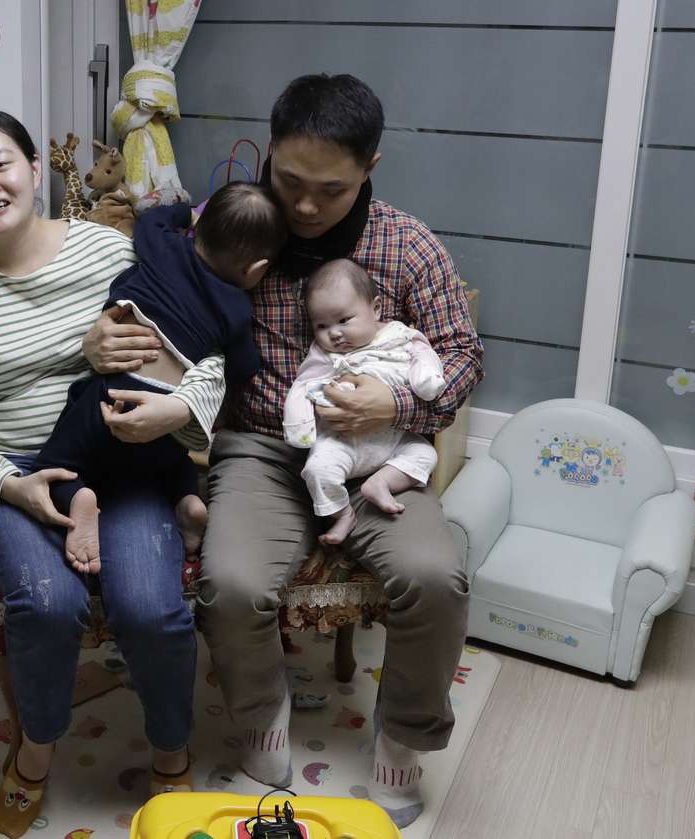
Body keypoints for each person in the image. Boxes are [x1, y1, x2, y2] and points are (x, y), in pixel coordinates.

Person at [0, 108, 226, 838]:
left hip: (122, 465)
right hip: (16, 474)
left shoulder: (102, 251)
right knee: (47, 603)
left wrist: (177, 410)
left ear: (32, 165)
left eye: (0, 163)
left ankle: (171, 752)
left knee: (151, 605)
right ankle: (34, 749)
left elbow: (200, 351)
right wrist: (11, 484)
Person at [195, 73, 482, 829]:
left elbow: (462, 356)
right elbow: (155, 287)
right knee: (228, 580)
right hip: (262, 445)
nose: (307, 206)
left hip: (380, 448)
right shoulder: (232, 224)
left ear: (370, 169)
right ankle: (261, 710)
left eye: (332, 187)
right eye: (291, 181)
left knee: (436, 575)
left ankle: (403, 734)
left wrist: (398, 403)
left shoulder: (407, 243)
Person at [32, 182, 286, 573]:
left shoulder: (164, 247)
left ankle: (78, 495)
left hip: (111, 389)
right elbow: (244, 368)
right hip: (164, 412)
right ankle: (187, 499)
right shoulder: (236, 308)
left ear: (198, 230)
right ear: (257, 270)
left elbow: (151, 218)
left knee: (54, 460)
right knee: (173, 460)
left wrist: (185, 213)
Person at [285, 258, 446, 544]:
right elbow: (303, 385)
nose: (334, 333)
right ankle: (343, 514)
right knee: (317, 470)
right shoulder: (324, 355)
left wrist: (426, 380)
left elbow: (423, 353)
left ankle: (381, 482)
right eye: (322, 325)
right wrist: (300, 427)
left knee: (425, 454)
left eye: (344, 320)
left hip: (393, 438)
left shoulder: (398, 335)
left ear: (375, 308)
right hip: (342, 440)